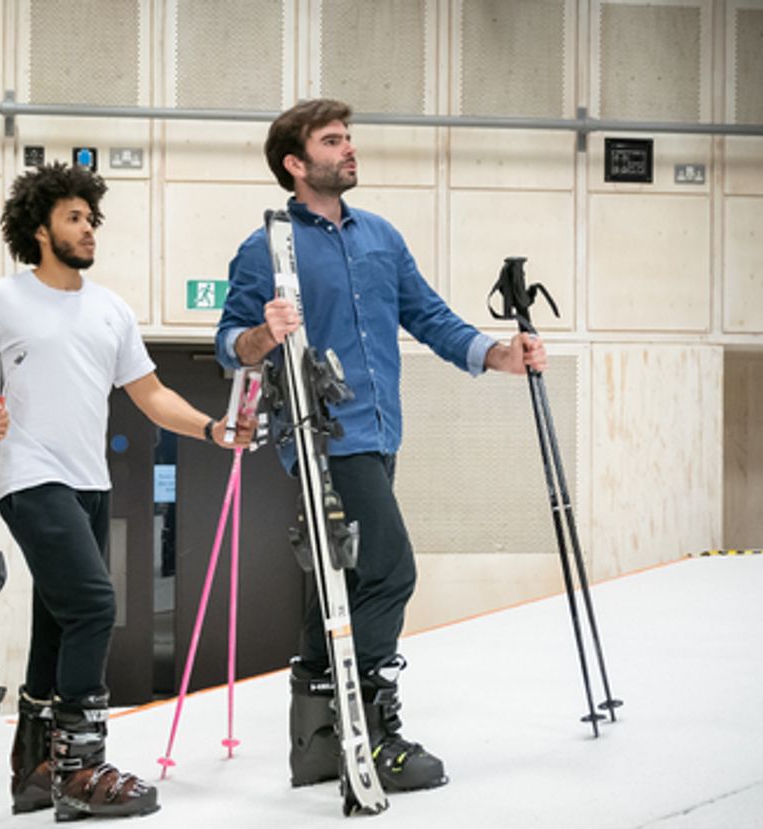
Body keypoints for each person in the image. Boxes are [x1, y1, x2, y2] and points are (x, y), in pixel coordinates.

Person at [215, 98, 548, 793]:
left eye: (348, 138)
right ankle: (367, 724)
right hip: (322, 440)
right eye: (332, 141)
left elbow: (426, 314)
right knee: (391, 570)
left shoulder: (381, 237)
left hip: (380, 431)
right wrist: (264, 334)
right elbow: (230, 345)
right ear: (295, 164)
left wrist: (496, 354)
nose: (349, 149)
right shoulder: (266, 248)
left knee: (345, 580)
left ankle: (314, 743)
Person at [0, 163, 254, 823]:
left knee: (59, 615)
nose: (87, 228)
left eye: (91, 218)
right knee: (92, 602)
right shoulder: (0, 301)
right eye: (74, 218)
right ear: (40, 227)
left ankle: (34, 765)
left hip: (90, 479)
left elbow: (150, 393)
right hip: (28, 473)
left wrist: (212, 428)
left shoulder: (110, 309)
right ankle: (80, 763)